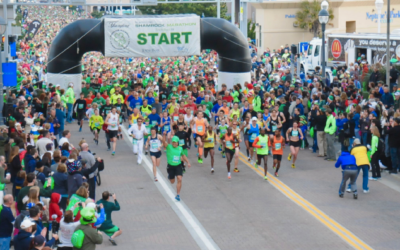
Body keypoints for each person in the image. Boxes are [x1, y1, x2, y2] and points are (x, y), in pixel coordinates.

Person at [161, 135, 191, 201]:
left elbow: (183, 155)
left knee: (179, 179)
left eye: (175, 142)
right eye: (173, 142)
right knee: (172, 181)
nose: (174, 143)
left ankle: (178, 194)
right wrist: (161, 136)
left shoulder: (180, 148)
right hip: (171, 167)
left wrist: (188, 162)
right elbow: (163, 141)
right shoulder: (169, 147)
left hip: (178, 166)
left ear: (178, 142)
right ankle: (170, 176)